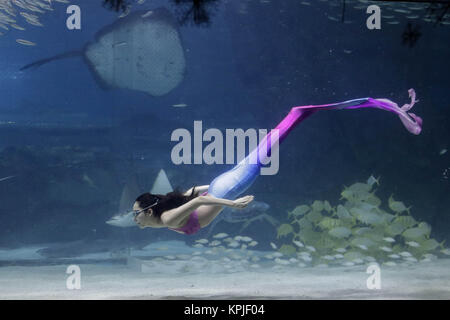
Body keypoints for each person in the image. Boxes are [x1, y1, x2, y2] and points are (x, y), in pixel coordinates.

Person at [134, 89, 422, 235]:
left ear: (149, 211)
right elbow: (192, 194)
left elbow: (196, 202)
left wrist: (231, 204)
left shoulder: (167, 218)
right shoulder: (165, 213)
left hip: (228, 188)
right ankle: (301, 113)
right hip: (225, 184)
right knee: (265, 148)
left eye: (136, 213)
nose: (134, 218)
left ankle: (299, 112)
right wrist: (217, 188)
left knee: (270, 145)